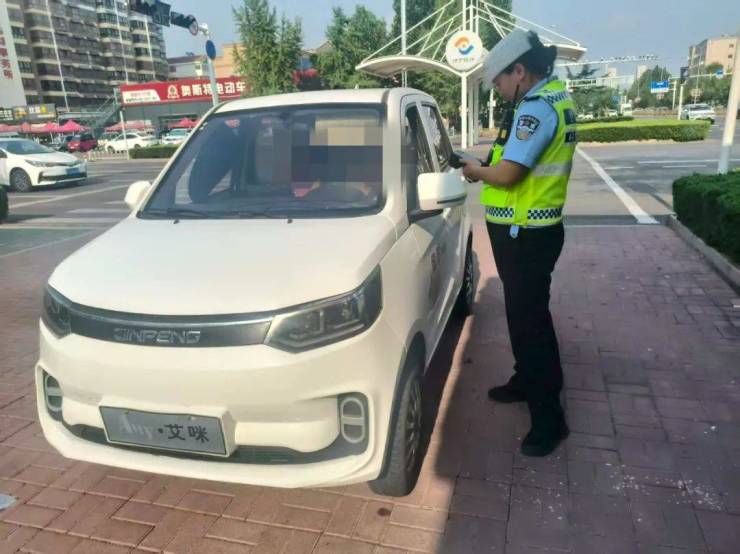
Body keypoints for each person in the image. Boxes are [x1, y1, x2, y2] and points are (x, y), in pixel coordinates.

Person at [461, 29, 577, 457]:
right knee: (524, 317)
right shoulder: (553, 99)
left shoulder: (536, 109)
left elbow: (509, 174)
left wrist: (475, 171)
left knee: (531, 325)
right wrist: (484, 164)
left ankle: (550, 420)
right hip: (528, 231)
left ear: (520, 71)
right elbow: (509, 160)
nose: (498, 90)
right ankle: (526, 380)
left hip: (525, 233)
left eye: (499, 81)